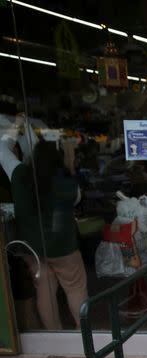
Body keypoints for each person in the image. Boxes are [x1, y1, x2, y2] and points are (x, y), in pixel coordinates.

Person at [0, 121, 87, 330]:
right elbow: (76, 200)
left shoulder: (20, 174)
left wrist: (16, 128)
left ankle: (54, 336)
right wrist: (27, 129)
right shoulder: (67, 182)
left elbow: (2, 150)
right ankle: (84, 334)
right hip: (64, 248)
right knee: (75, 289)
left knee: (44, 291)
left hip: (34, 249)